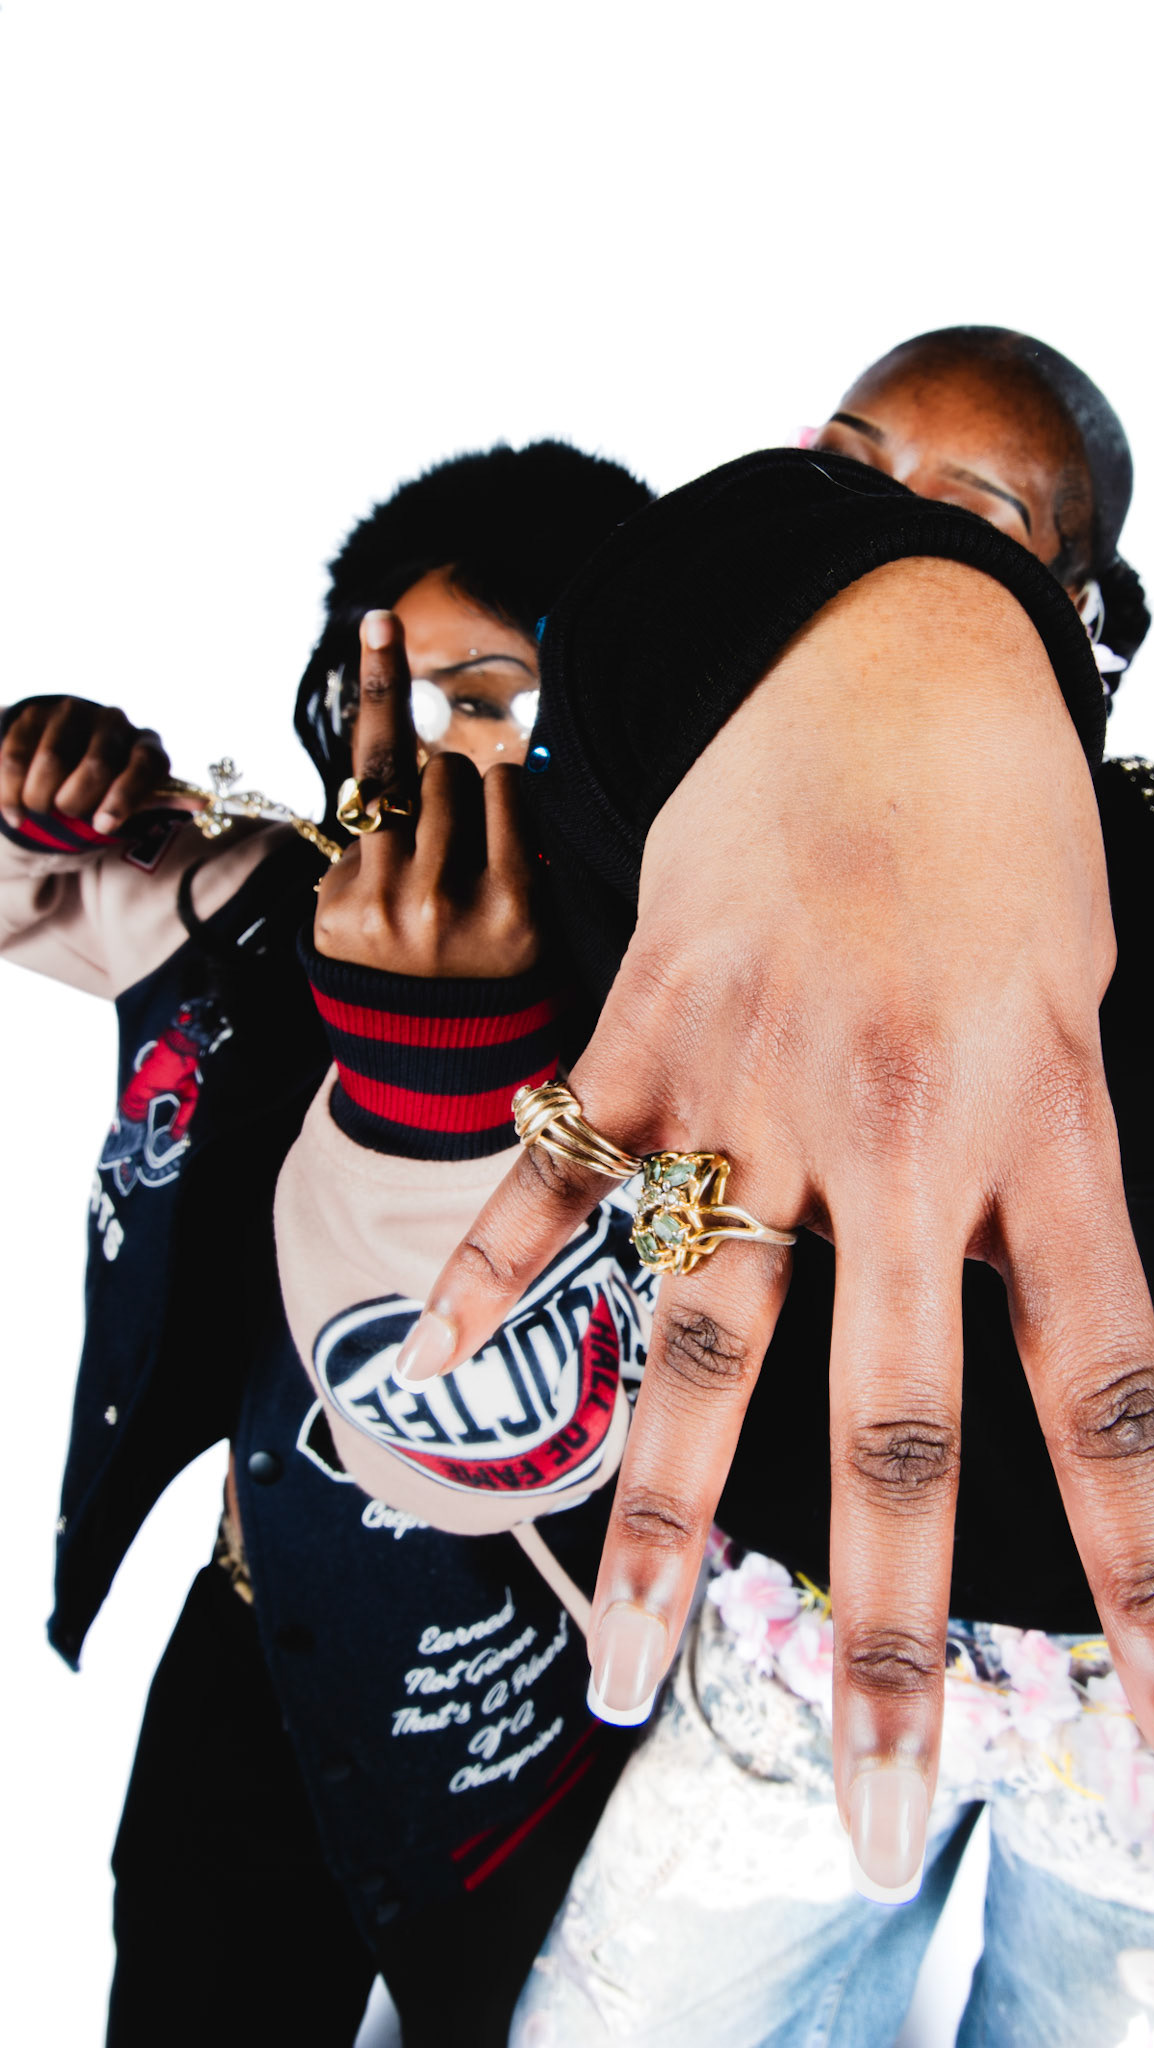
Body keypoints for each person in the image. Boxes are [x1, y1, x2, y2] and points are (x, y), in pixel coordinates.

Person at [348, 333, 1154, 2044]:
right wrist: (894, 627)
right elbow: (621, 669)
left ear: (1081, 608)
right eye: (846, 464)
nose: (888, 514)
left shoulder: (1144, 852)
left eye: (979, 512)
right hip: (797, 1618)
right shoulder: (674, 823)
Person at [0, 439, 656, 2047]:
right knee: (192, 1975)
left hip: (512, 1678)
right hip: (259, 1618)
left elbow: (493, 1422)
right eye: (379, 695)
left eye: (486, 696)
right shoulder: (259, 901)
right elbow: (41, 892)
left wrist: (444, 1063)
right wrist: (33, 784)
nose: (418, 750)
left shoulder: (670, 1012)